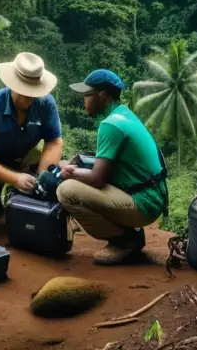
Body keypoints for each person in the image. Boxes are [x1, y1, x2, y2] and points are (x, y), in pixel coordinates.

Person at [57, 69, 168, 265]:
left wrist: (70, 171)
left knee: (66, 190)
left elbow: (97, 179)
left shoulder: (110, 125)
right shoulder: (124, 115)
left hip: (143, 203)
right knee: (78, 177)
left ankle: (124, 239)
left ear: (103, 95)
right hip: (152, 195)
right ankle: (129, 232)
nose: (84, 100)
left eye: (87, 95)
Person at [0, 52, 64, 218]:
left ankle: (18, 193)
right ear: (13, 86)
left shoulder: (46, 103)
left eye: (33, 92)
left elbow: (54, 141)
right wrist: (15, 178)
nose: (29, 98)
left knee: (61, 170)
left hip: (24, 155)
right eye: (25, 92)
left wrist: (41, 177)